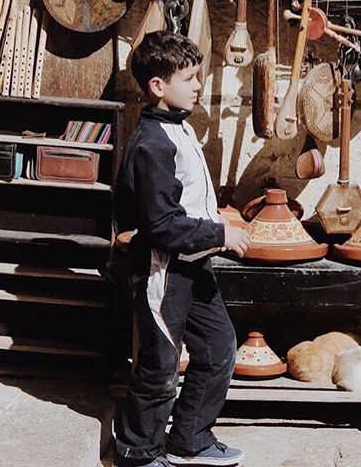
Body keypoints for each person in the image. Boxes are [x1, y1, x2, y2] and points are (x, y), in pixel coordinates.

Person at [113, 31, 250, 467]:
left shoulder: (179, 129)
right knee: (160, 365)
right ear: (158, 86)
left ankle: (190, 440)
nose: (197, 85)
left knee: (218, 347)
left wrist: (215, 228)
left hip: (194, 266)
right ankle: (137, 452)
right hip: (163, 270)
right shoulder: (153, 144)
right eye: (189, 78)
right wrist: (220, 235)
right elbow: (159, 225)